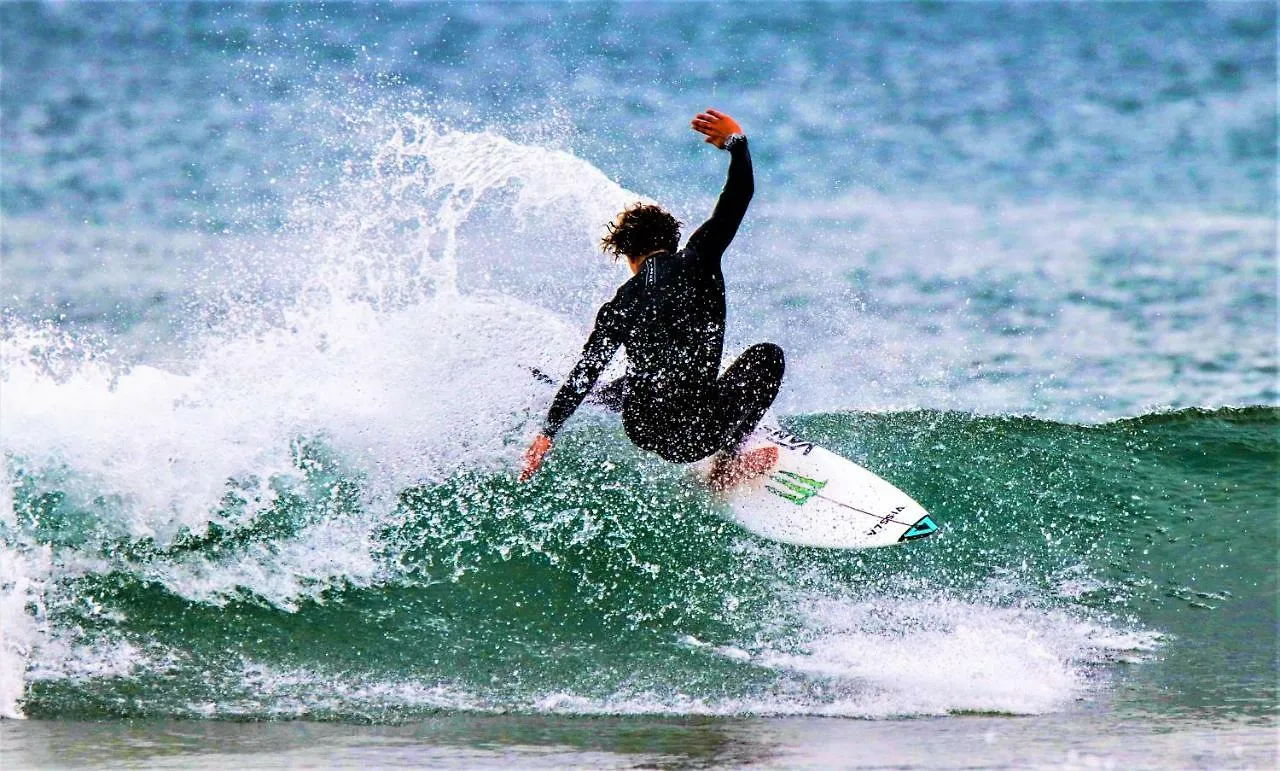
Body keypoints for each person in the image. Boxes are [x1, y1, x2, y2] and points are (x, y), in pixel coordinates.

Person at [520, 109, 784, 491]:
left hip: (642, 429)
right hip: (695, 434)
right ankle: (726, 465)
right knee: (767, 356)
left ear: (627, 257)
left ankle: (604, 398)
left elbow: (585, 370)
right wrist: (736, 142)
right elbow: (739, 194)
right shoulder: (699, 258)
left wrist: (548, 432)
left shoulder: (620, 303)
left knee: (648, 370)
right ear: (673, 241)